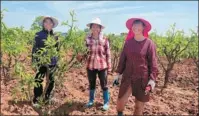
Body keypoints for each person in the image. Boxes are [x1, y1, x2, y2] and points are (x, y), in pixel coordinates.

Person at [113, 18, 159, 115]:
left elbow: (153, 62)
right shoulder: (128, 43)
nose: (136, 27)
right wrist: (118, 74)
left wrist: (152, 79)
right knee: (121, 101)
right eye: (134, 25)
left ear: (143, 28)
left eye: (139, 25)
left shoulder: (149, 44)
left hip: (142, 78)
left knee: (139, 106)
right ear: (131, 28)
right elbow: (122, 60)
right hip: (128, 76)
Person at [77, 17, 111, 111]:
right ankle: (91, 100)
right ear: (91, 28)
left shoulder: (104, 39)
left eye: (97, 27)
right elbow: (84, 53)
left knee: (104, 84)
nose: (95, 29)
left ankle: (106, 102)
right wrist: (79, 57)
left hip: (102, 66)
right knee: (92, 83)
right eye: (93, 27)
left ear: (100, 28)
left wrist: (109, 67)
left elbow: (108, 54)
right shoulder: (87, 39)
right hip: (90, 66)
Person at [32, 16, 59, 107]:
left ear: (52, 24)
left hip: (52, 62)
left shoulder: (55, 36)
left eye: (50, 22)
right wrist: (34, 61)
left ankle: (47, 98)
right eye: (46, 22)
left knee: (51, 81)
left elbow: (57, 50)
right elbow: (34, 49)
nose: (48, 24)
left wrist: (57, 62)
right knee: (38, 80)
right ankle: (37, 99)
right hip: (41, 62)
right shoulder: (38, 35)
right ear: (43, 24)